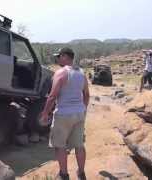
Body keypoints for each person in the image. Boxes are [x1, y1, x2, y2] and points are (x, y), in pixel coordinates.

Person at [41, 47, 90, 180]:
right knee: (79, 145)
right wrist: (83, 110)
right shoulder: (81, 73)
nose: (57, 59)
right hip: (79, 114)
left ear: (65, 56)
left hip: (63, 114)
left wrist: (45, 114)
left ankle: (64, 174)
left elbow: (52, 96)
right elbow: (86, 95)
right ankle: (81, 173)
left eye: (59, 56)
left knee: (60, 145)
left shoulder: (61, 73)